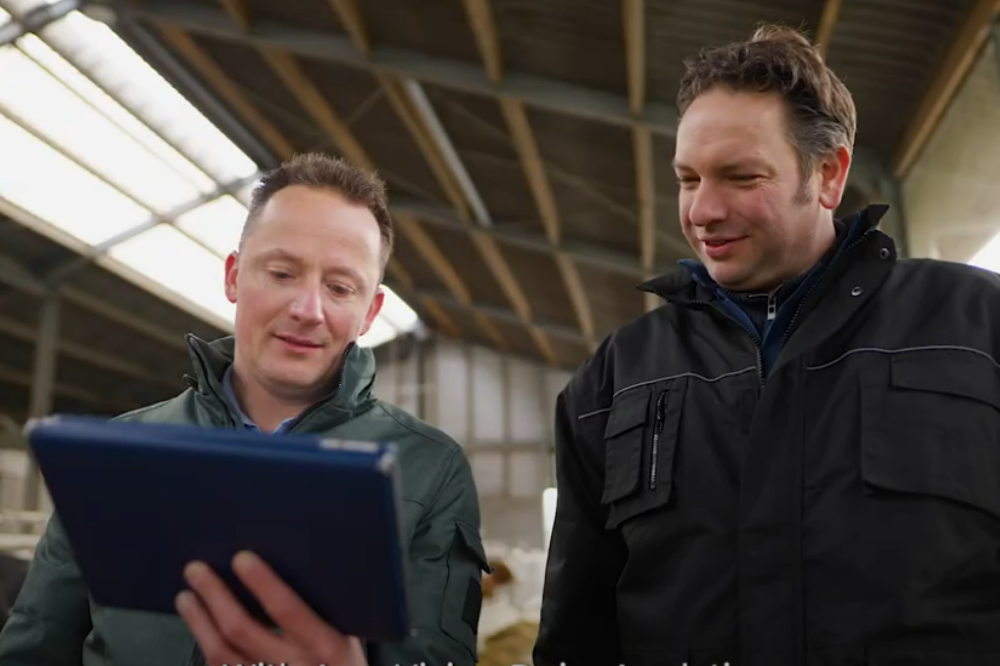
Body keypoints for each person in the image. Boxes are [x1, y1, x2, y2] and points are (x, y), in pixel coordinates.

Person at [533, 24, 1000, 666]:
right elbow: (576, 634)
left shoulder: (976, 328)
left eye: (740, 177)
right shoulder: (615, 379)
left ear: (829, 174)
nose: (702, 210)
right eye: (688, 179)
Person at [0, 153, 490, 666]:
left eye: (340, 288)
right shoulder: (114, 456)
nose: (307, 309)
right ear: (234, 276)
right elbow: (33, 649)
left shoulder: (431, 468)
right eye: (282, 273)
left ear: (370, 312)